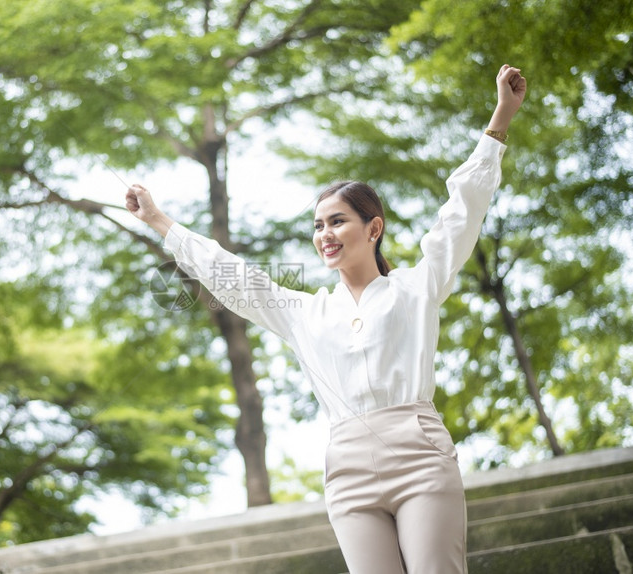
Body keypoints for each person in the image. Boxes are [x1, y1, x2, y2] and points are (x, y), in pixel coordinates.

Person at [125, 64, 527, 574]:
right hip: (348, 469)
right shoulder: (303, 311)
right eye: (318, 226)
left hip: (420, 455)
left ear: (373, 227)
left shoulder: (415, 286)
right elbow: (231, 276)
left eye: (337, 221)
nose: (325, 234)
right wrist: (159, 220)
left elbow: (461, 212)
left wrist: (500, 119)